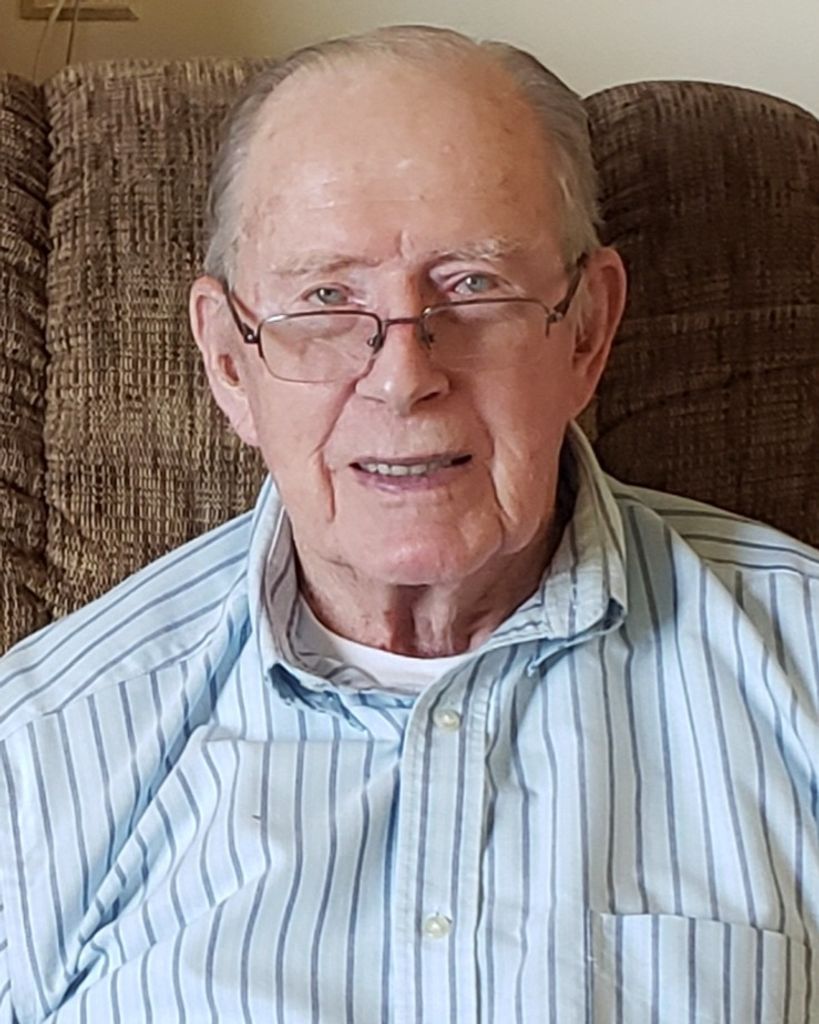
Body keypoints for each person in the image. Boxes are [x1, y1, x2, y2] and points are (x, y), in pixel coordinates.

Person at [0, 24, 817, 1024]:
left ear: (587, 332)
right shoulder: (37, 755)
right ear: (228, 362)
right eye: (325, 299)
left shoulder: (801, 664)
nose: (403, 377)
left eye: (474, 286)